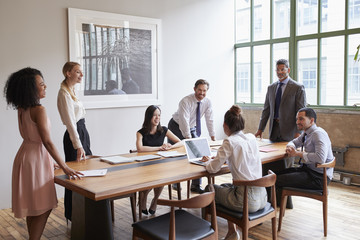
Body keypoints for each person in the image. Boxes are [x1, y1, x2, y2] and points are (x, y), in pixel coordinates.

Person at [4, 67, 83, 240]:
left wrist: (49, 161)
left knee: (34, 207)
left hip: (26, 156)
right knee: (43, 206)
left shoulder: (22, 108)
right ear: (30, 89)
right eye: (41, 84)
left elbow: (34, 138)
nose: (45, 86)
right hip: (35, 159)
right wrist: (64, 166)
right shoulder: (39, 110)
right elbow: (46, 141)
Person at [201, 105, 267, 240]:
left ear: (225, 125)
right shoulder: (251, 138)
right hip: (262, 197)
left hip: (246, 200)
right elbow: (242, 157)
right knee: (225, 187)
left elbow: (212, 169)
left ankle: (210, 235)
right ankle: (232, 232)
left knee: (209, 188)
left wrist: (207, 161)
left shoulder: (229, 141)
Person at [57, 62, 93, 222]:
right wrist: (78, 145)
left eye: (81, 72)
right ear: (68, 73)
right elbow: (71, 123)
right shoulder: (64, 93)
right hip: (75, 135)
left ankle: (85, 211)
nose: (81, 75)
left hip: (82, 132)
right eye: (78, 72)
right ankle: (72, 214)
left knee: (87, 171)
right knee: (74, 175)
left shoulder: (71, 91)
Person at [276, 108, 334, 204]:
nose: (297, 122)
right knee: (274, 174)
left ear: (311, 120)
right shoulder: (307, 133)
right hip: (308, 171)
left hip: (318, 178)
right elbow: (293, 142)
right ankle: (273, 206)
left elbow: (320, 158)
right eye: (297, 119)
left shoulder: (318, 134)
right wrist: (290, 147)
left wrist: (297, 154)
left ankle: (269, 209)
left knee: (275, 179)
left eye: (301, 119)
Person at [168, 79, 216, 193]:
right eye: (199, 90)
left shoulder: (207, 102)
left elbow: (210, 119)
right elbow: (184, 122)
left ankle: (195, 185)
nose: (202, 93)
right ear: (194, 89)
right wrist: (188, 139)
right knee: (177, 154)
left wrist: (213, 136)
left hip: (192, 126)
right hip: (176, 126)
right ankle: (175, 182)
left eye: (204, 91)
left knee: (198, 153)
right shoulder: (185, 101)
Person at [136, 105, 183, 215]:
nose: (157, 118)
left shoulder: (163, 130)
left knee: (161, 177)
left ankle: (155, 200)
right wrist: (159, 148)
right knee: (152, 180)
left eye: (159, 115)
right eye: (154, 116)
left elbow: (180, 142)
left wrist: (170, 147)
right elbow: (140, 148)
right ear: (148, 117)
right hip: (145, 164)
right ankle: (143, 199)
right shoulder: (140, 132)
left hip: (160, 163)